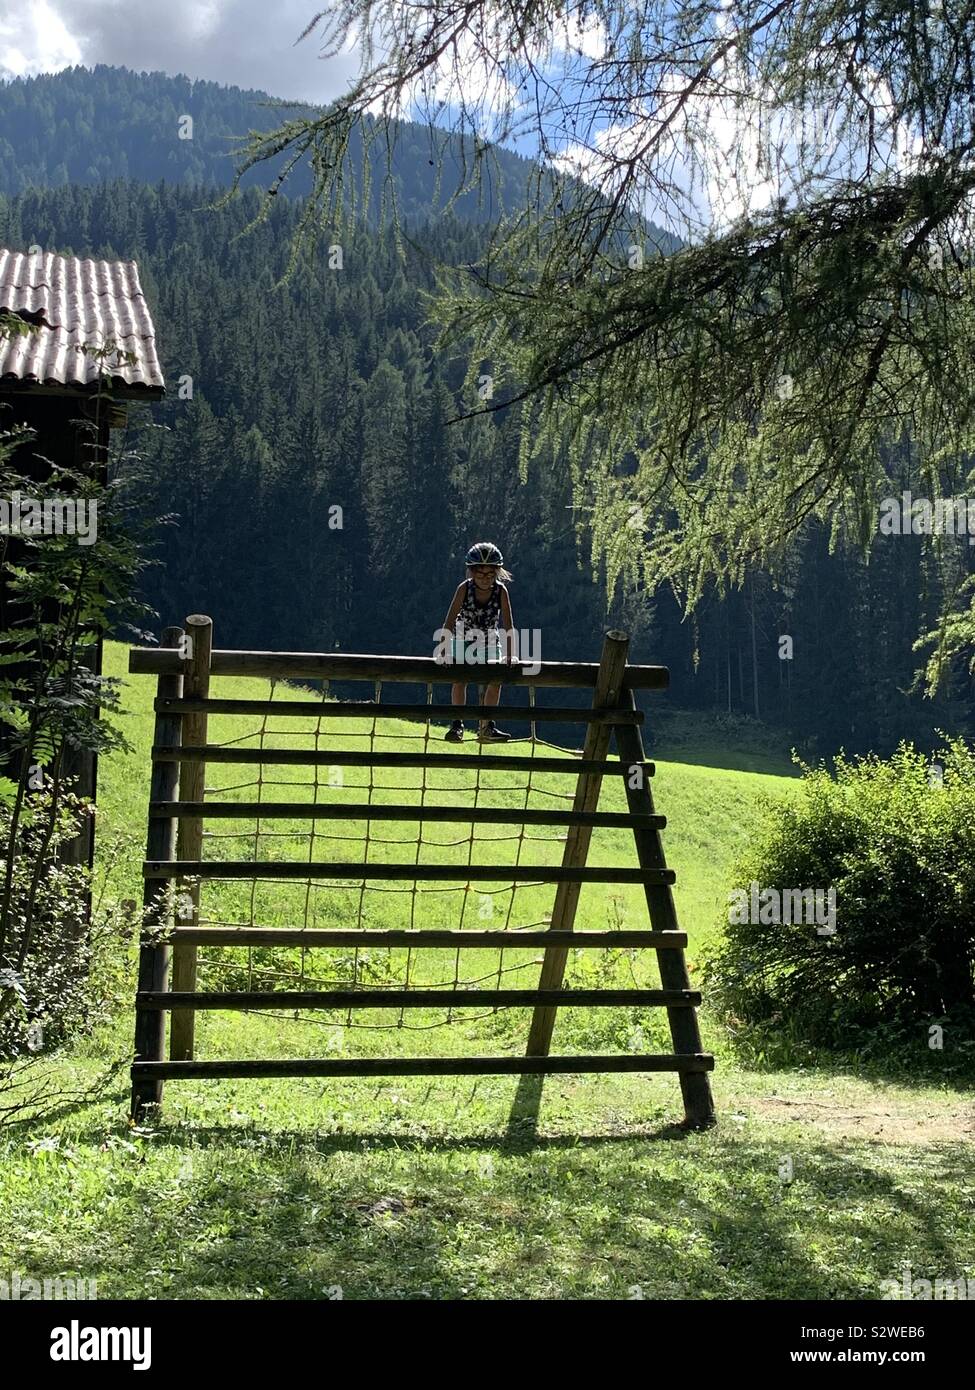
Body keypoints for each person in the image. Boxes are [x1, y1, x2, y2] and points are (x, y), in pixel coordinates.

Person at [440, 541, 516, 742]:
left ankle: (487, 725)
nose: (485, 579)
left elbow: (508, 624)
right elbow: (449, 620)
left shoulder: (501, 592)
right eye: (480, 574)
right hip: (462, 638)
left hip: (489, 641)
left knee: (496, 679)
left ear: (497, 573)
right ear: (472, 572)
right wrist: (444, 648)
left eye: (490, 574)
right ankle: (457, 725)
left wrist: (510, 653)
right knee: (459, 679)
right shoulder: (464, 589)